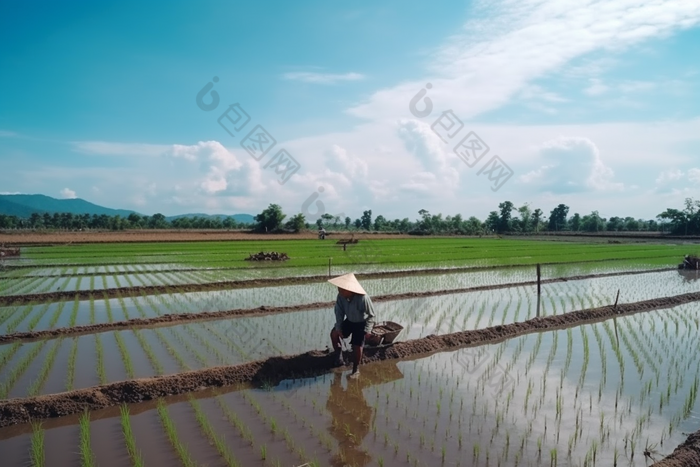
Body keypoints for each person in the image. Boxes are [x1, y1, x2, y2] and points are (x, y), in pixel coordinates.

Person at [328, 273, 375, 378]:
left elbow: (371, 315)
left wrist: (367, 331)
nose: (339, 290)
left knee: (356, 346)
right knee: (334, 334)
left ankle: (355, 369)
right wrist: (339, 327)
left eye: (341, 288)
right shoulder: (341, 297)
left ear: (349, 289)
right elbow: (339, 312)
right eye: (339, 288)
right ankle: (339, 356)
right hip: (349, 321)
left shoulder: (363, 298)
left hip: (361, 323)